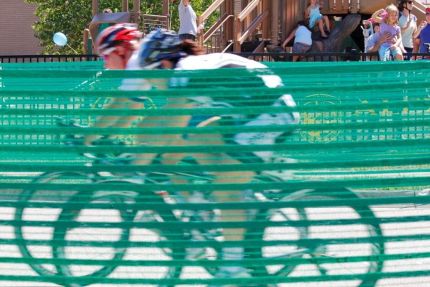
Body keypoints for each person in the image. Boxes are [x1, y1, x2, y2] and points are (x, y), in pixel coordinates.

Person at [92, 26, 300, 280]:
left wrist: (136, 169)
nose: (150, 84)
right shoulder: (180, 74)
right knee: (191, 142)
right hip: (243, 111)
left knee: (226, 186)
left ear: (164, 65)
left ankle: (233, 269)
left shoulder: (184, 75)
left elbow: (167, 129)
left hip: (271, 112)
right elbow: (170, 135)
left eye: (150, 75)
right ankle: (209, 208)